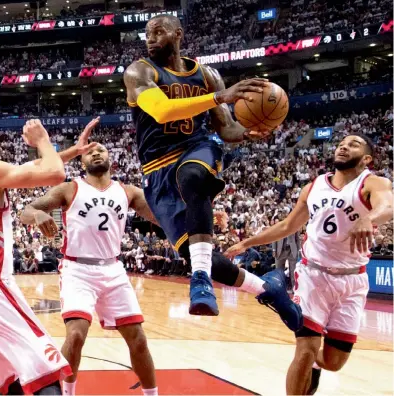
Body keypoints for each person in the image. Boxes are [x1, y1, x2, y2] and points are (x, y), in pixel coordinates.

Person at [123, 14, 301, 329]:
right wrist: (220, 96)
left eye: (158, 31)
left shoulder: (206, 75)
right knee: (198, 255)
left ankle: (200, 280)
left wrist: (247, 132)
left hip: (197, 150)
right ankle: (267, 288)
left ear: (178, 34)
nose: (150, 38)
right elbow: (163, 111)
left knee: (192, 176)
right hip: (156, 169)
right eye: (147, 33)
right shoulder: (139, 72)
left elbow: (227, 127)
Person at [0, 117, 98, 395]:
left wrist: (73, 152)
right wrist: (41, 139)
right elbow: (54, 173)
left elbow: (24, 170)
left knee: (12, 376)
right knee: (44, 369)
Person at [225, 134, 393, 395]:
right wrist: (247, 243)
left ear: (367, 158)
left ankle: (316, 362)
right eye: (341, 144)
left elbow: (388, 205)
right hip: (313, 275)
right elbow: (287, 225)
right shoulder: (315, 186)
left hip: (353, 280)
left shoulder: (372, 182)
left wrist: (368, 218)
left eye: (354, 144)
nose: (344, 146)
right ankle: (307, 357)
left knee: (334, 362)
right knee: (305, 349)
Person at [21, 142, 158, 396]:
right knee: (75, 336)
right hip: (77, 269)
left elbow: (161, 217)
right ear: (82, 162)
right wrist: (38, 215)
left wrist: (193, 220)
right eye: (89, 151)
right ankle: (68, 394)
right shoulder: (70, 188)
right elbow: (25, 211)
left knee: (138, 339)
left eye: (101, 150)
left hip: (113, 269)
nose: (96, 153)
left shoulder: (127, 192)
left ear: (111, 158)